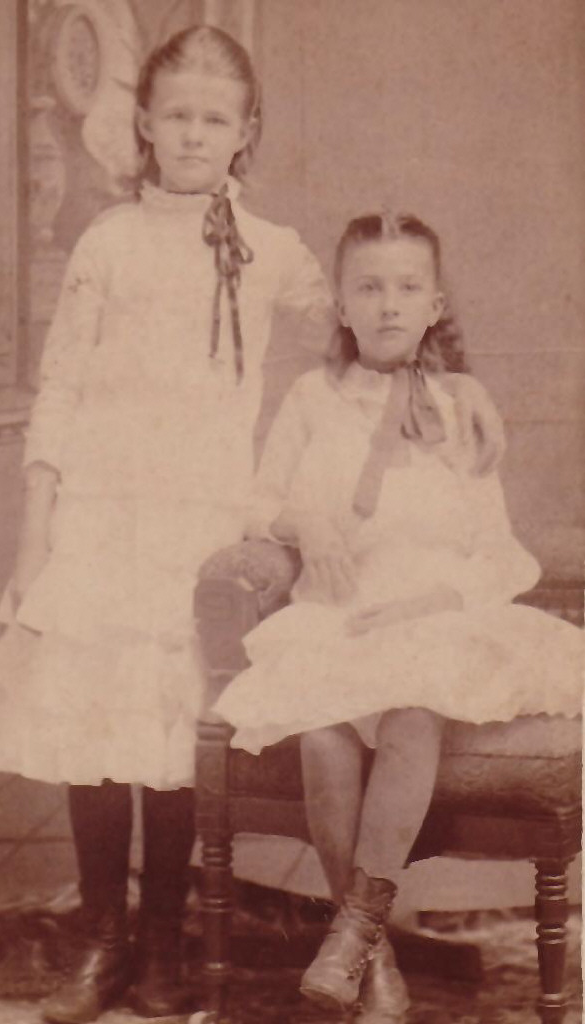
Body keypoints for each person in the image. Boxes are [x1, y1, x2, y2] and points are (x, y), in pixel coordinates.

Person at [0, 22, 503, 1021]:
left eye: (214, 119)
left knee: (176, 740)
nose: (193, 135)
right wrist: (37, 536)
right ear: (142, 122)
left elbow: (365, 323)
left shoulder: (272, 253)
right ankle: (102, 942)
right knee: (93, 729)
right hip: (99, 517)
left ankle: (163, 948)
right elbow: (60, 389)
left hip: (201, 518)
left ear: (245, 130)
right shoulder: (107, 242)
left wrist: (457, 382)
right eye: (176, 116)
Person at [214, 212, 582, 1023]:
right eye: (369, 288)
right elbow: (257, 501)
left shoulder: (459, 409)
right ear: (342, 306)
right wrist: (307, 525)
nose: (388, 304)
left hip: (436, 612)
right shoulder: (312, 399)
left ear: (434, 304)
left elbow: (495, 551)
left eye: (408, 288)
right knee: (323, 734)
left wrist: (439, 600)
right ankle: (371, 958)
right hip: (341, 612)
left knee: (413, 706)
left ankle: (351, 932)